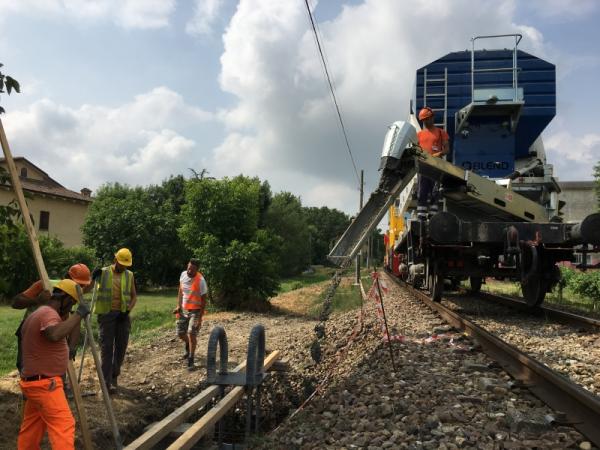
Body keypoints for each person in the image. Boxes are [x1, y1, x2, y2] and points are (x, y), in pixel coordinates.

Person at [17, 279, 90, 450]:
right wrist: (79, 314)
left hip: (34, 383)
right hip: (46, 385)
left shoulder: (36, 314)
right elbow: (54, 334)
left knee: (32, 428)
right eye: (71, 303)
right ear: (63, 297)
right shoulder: (48, 313)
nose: (70, 308)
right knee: (64, 424)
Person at [12, 263, 92, 373]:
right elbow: (15, 303)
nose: (80, 288)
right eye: (78, 283)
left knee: (54, 368)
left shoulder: (72, 293)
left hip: (55, 330)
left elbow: (74, 321)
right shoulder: (44, 285)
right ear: (68, 277)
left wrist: (72, 347)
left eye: (82, 285)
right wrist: (36, 301)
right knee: (29, 369)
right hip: (31, 333)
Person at [93, 248, 137, 393]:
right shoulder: (104, 272)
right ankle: (105, 384)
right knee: (106, 349)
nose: (123, 266)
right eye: (121, 263)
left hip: (122, 316)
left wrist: (127, 311)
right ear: (115, 260)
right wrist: (92, 277)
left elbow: (133, 297)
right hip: (106, 315)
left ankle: (113, 376)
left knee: (121, 347)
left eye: (126, 264)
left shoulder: (129, 275)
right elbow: (87, 288)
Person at [174, 258, 208, 371]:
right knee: (180, 333)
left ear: (197, 270)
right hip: (184, 309)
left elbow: (204, 300)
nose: (189, 271)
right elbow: (180, 291)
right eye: (188, 268)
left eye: (192, 270)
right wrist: (178, 305)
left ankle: (191, 359)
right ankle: (188, 344)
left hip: (196, 311)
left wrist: (200, 318)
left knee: (191, 333)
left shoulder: (201, 280)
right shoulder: (183, 274)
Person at [417, 106, 450, 220]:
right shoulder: (419, 135)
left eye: (427, 119)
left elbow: (447, 149)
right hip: (423, 167)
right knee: (422, 191)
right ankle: (421, 215)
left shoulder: (441, 133)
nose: (425, 122)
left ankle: (433, 214)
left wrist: (439, 154)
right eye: (423, 120)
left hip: (436, 166)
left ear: (432, 118)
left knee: (435, 191)